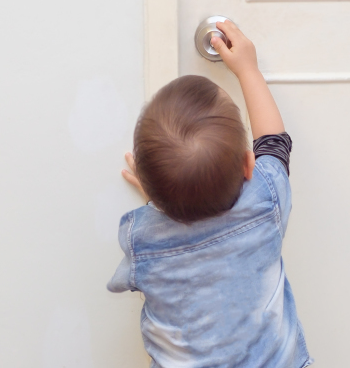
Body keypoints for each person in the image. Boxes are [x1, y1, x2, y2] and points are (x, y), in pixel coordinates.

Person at [108, 20, 311, 368]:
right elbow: (274, 144)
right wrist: (247, 69)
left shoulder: (141, 239)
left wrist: (158, 201)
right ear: (249, 165)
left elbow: (138, 275)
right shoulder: (266, 201)